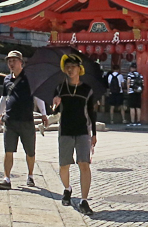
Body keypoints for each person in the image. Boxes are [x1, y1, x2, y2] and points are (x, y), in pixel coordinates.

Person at [0, 50, 47, 190]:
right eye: (9, 61)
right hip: (10, 120)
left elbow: (38, 96)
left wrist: (43, 114)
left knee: (30, 152)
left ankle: (30, 175)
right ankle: (6, 178)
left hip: (27, 121)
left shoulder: (30, 78)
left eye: (14, 61)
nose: (11, 64)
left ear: (21, 62)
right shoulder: (6, 79)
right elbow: (4, 98)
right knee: (8, 151)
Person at [52, 54, 97, 216]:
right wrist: (55, 104)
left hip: (83, 131)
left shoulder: (87, 90)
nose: (70, 69)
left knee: (84, 164)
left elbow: (91, 112)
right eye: (67, 66)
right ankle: (67, 189)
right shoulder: (60, 88)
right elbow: (56, 111)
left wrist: (94, 134)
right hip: (65, 130)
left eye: (73, 66)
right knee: (64, 165)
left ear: (80, 69)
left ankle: (84, 201)